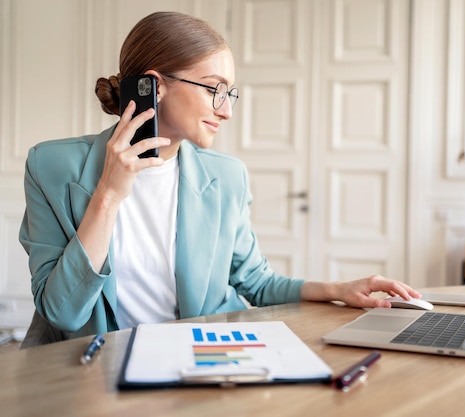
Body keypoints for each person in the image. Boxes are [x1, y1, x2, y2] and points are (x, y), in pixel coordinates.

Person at [18, 11, 421, 345]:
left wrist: (338, 290)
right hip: (84, 376)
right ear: (154, 87)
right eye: (215, 89)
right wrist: (107, 196)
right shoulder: (51, 167)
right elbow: (63, 313)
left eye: (230, 93)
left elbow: (256, 283)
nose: (226, 110)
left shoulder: (227, 177)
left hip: (196, 365)